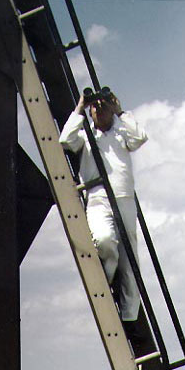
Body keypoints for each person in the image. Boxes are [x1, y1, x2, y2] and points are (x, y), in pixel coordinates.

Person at [59, 88, 148, 324]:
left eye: (103, 106)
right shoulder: (86, 137)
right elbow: (65, 140)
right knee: (104, 239)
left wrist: (120, 112)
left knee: (130, 259)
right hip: (98, 198)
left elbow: (139, 137)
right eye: (94, 107)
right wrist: (80, 108)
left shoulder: (121, 133)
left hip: (124, 198)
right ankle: (108, 278)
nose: (99, 110)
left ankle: (130, 315)